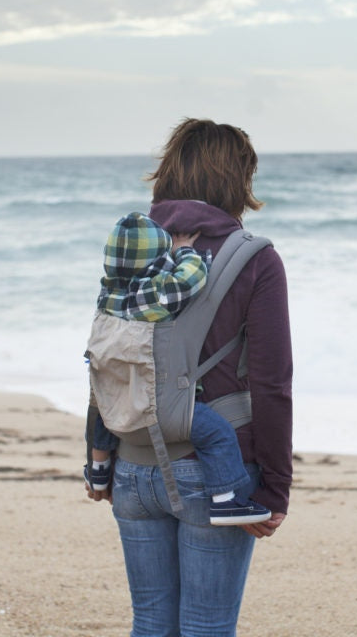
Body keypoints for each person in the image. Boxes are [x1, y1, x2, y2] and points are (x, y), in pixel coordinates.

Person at [85, 118, 293, 637]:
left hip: (133, 462)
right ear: (237, 180)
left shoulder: (131, 246)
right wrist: (275, 487)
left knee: (151, 623)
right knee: (206, 625)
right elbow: (271, 382)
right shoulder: (254, 259)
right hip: (214, 472)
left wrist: (101, 454)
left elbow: (110, 355)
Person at [85, 211, 272, 526]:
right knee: (217, 432)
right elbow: (191, 277)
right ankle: (225, 500)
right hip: (158, 407)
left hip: (115, 396)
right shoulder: (155, 294)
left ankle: (98, 472)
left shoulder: (107, 296)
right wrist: (184, 249)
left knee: (104, 412)